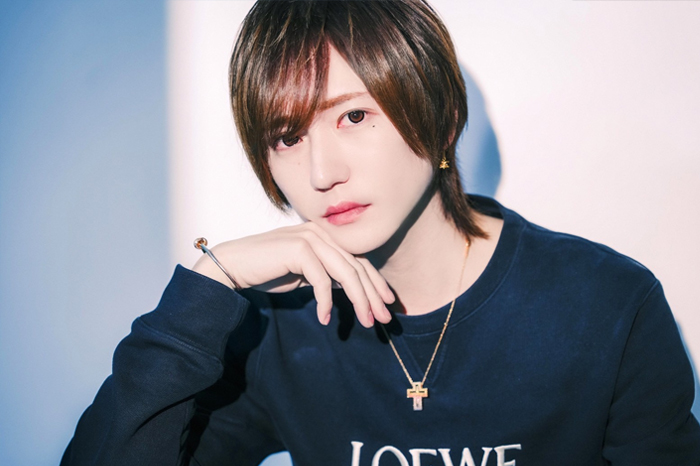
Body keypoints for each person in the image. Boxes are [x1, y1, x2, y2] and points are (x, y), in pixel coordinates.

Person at [61, 1, 700, 465]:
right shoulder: (278, 326)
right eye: (287, 137)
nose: (321, 173)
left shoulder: (605, 304)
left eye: (354, 116)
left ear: (443, 115)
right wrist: (209, 284)